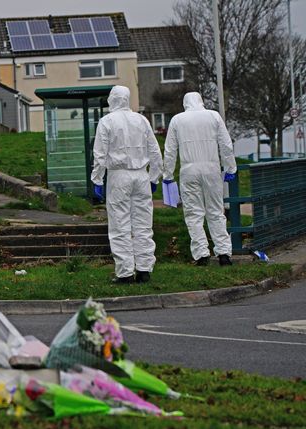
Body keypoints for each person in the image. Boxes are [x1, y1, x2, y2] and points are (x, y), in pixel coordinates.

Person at [91, 85, 163, 284]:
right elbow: (155, 152)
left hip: (118, 176)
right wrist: (154, 177)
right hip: (141, 176)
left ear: (112, 99)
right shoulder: (142, 120)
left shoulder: (107, 121)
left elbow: (100, 154)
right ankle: (144, 269)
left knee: (120, 225)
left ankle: (124, 272)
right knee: (143, 225)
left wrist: (97, 179)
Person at [163, 92, 236, 266]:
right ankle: (224, 253)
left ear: (185, 103)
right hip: (211, 169)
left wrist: (168, 175)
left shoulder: (177, 120)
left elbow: (170, 150)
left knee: (193, 214)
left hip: (189, 170)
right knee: (216, 212)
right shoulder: (213, 116)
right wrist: (231, 167)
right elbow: (225, 144)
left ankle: (201, 254)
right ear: (201, 101)